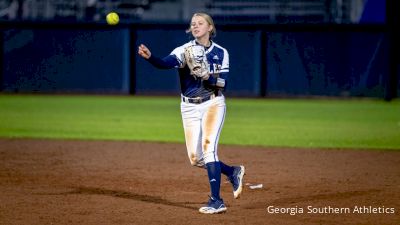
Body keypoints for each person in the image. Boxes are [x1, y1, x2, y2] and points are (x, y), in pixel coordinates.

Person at [137, 12, 245, 214]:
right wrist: (151, 58)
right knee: (195, 158)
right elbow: (165, 63)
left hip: (213, 104)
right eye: (193, 24)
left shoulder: (221, 52)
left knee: (209, 149)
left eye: (200, 23)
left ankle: (217, 200)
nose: (195, 26)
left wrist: (206, 77)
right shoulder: (184, 50)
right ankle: (232, 171)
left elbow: (223, 84)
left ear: (210, 28)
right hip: (188, 106)